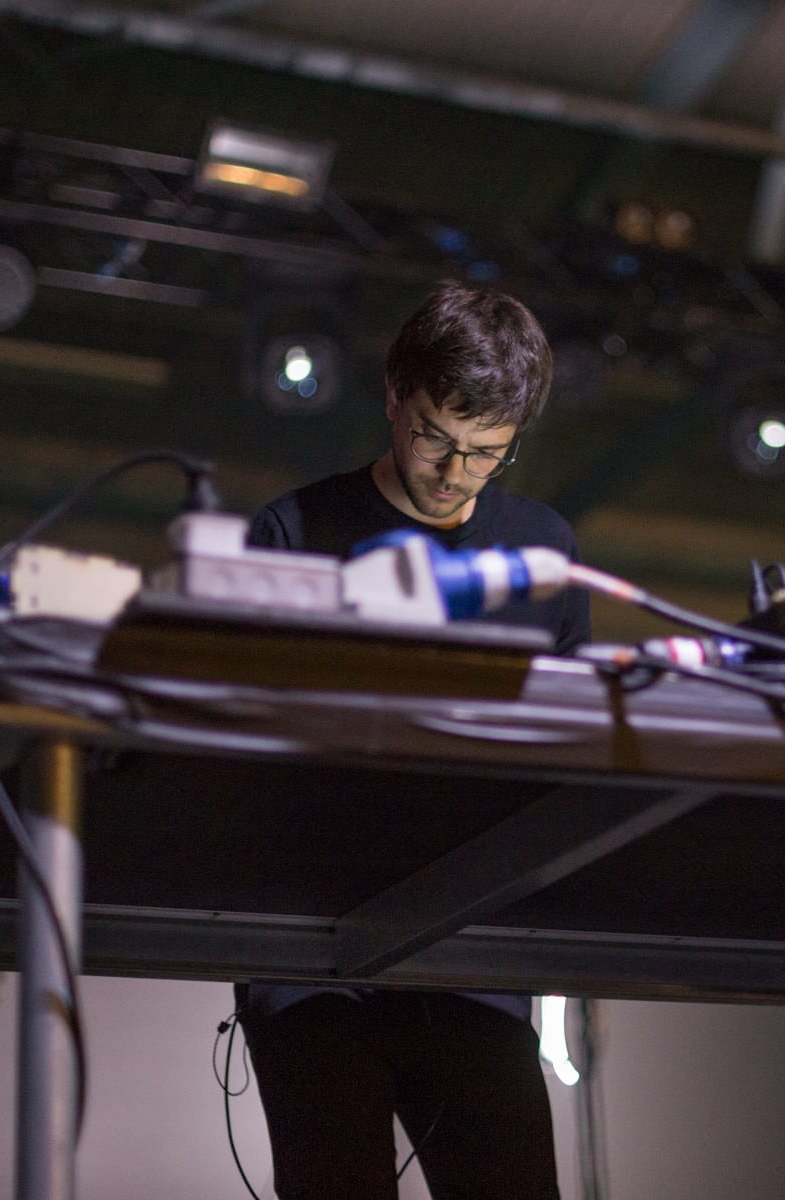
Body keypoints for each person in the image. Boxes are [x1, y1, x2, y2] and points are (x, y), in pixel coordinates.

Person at [237, 281, 588, 1200]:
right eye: (435, 435)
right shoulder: (292, 534)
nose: (452, 473)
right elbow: (243, 754)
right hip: (313, 950)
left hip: (473, 954)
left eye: (486, 455)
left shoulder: (545, 553)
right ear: (394, 394)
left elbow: (570, 754)